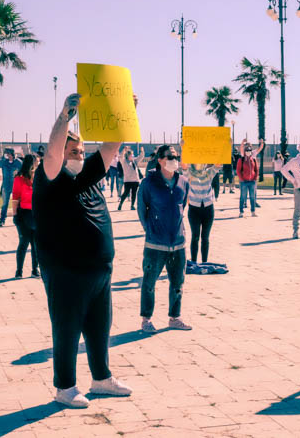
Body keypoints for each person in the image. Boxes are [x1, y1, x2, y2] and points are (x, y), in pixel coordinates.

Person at [33, 93, 132, 409]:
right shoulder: (49, 177)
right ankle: (65, 387)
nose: (78, 154)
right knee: (67, 329)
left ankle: (101, 379)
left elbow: (111, 147)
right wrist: (65, 118)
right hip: (66, 271)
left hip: (100, 271)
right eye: (72, 150)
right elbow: (52, 152)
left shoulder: (88, 174)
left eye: (81, 150)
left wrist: (124, 113)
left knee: (100, 328)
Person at [137, 145, 192, 333]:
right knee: (149, 283)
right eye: (170, 157)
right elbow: (141, 209)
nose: (174, 160)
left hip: (178, 242)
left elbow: (181, 206)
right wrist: (150, 230)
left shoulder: (183, 181)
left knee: (178, 282)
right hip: (155, 244)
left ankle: (175, 317)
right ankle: (146, 319)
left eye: (176, 156)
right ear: (160, 160)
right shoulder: (148, 183)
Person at [185, 162, 220, 264]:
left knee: (205, 237)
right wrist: (184, 148)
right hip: (194, 209)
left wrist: (226, 147)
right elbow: (183, 165)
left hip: (208, 209)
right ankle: (194, 261)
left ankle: (204, 262)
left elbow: (218, 165)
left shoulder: (209, 173)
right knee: (195, 236)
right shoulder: (189, 173)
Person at [11, 154, 39, 278]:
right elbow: (15, 197)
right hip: (23, 214)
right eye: (37, 162)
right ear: (32, 164)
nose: (39, 164)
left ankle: (35, 270)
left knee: (36, 244)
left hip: (37, 214)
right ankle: (19, 271)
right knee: (24, 242)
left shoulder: (39, 177)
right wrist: (15, 215)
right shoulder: (19, 178)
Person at [236, 139, 264, 217]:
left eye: (249, 146)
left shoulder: (253, 156)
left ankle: (253, 211)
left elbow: (256, 169)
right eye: (247, 146)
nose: (248, 148)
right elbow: (238, 170)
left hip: (252, 181)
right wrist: (242, 143)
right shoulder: (242, 157)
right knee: (243, 196)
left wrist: (262, 143)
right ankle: (241, 211)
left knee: (253, 196)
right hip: (244, 181)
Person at [0, 148, 22, 227]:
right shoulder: (4, 163)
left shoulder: (18, 163)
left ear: (12, 154)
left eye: (7, 153)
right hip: (6, 186)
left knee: (18, 204)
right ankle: (2, 220)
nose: (6, 155)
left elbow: (23, 174)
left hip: (16, 186)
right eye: (5, 153)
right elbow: (4, 176)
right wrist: (2, 188)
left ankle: (18, 220)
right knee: (5, 204)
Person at [117, 146, 145, 211]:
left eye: (133, 155)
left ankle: (132, 205)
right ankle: (121, 203)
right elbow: (121, 157)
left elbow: (141, 157)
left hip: (135, 180)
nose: (132, 156)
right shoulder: (124, 162)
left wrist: (142, 151)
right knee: (126, 193)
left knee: (134, 193)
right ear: (128, 156)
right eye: (131, 155)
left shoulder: (134, 161)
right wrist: (124, 150)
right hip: (128, 180)